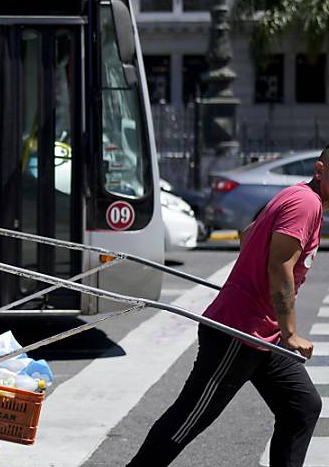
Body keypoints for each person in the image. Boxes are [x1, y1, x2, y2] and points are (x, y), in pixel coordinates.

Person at [127, 147, 328, 467]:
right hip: (240, 331)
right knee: (188, 419)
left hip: (263, 332)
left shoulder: (297, 195)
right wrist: (290, 333)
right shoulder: (307, 203)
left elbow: (247, 235)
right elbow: (280, 266)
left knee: (301, 408)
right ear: (320, 170)